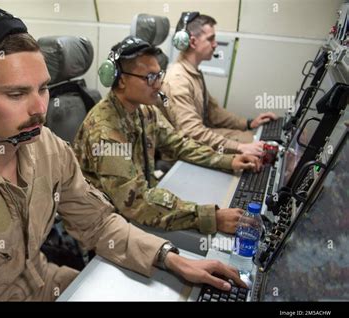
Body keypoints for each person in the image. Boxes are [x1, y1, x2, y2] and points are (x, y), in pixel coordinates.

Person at [0, 7, 246, 301]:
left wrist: (169, 258)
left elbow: (99, 223)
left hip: (47, 284)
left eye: (43, 88)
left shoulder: (47, 147)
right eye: (16, 94)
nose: (38, 108)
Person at [73, 36, 261, 236]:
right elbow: (134, 202)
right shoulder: (105, 132)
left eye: (159, 75)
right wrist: (210, 217)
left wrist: (228, 160)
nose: (158, 84)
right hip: (103, 223)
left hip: (135, 207)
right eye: (150, 78)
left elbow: (179, 144)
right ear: (121, 80)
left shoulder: (145, 111)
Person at [161, 12, 278, 156]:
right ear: (192, 42)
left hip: (201, 136)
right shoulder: (178, 80)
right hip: (183, 151)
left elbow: (214, 112)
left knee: (259, 141)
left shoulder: (193, 73)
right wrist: (239, 147)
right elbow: (192, 133)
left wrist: (248, 123)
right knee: (261, 150)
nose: (215, 44)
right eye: (211, 39)